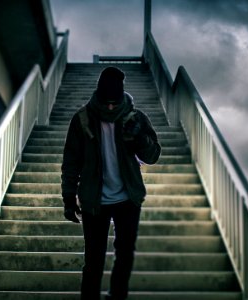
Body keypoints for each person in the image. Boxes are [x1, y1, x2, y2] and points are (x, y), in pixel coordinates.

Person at [61, 66, 161, 300]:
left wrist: (139, 137)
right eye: (106, 103)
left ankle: (117, 297)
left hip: (128, 198)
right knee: (93, 260)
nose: (109, 108)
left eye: (113, 104)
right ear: (99, 95)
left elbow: (153, 155)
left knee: (125, 255)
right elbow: (71, 161)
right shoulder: (83, 119)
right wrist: (68, 197)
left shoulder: (135, 117)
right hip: (94, 201)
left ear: (120, 97)